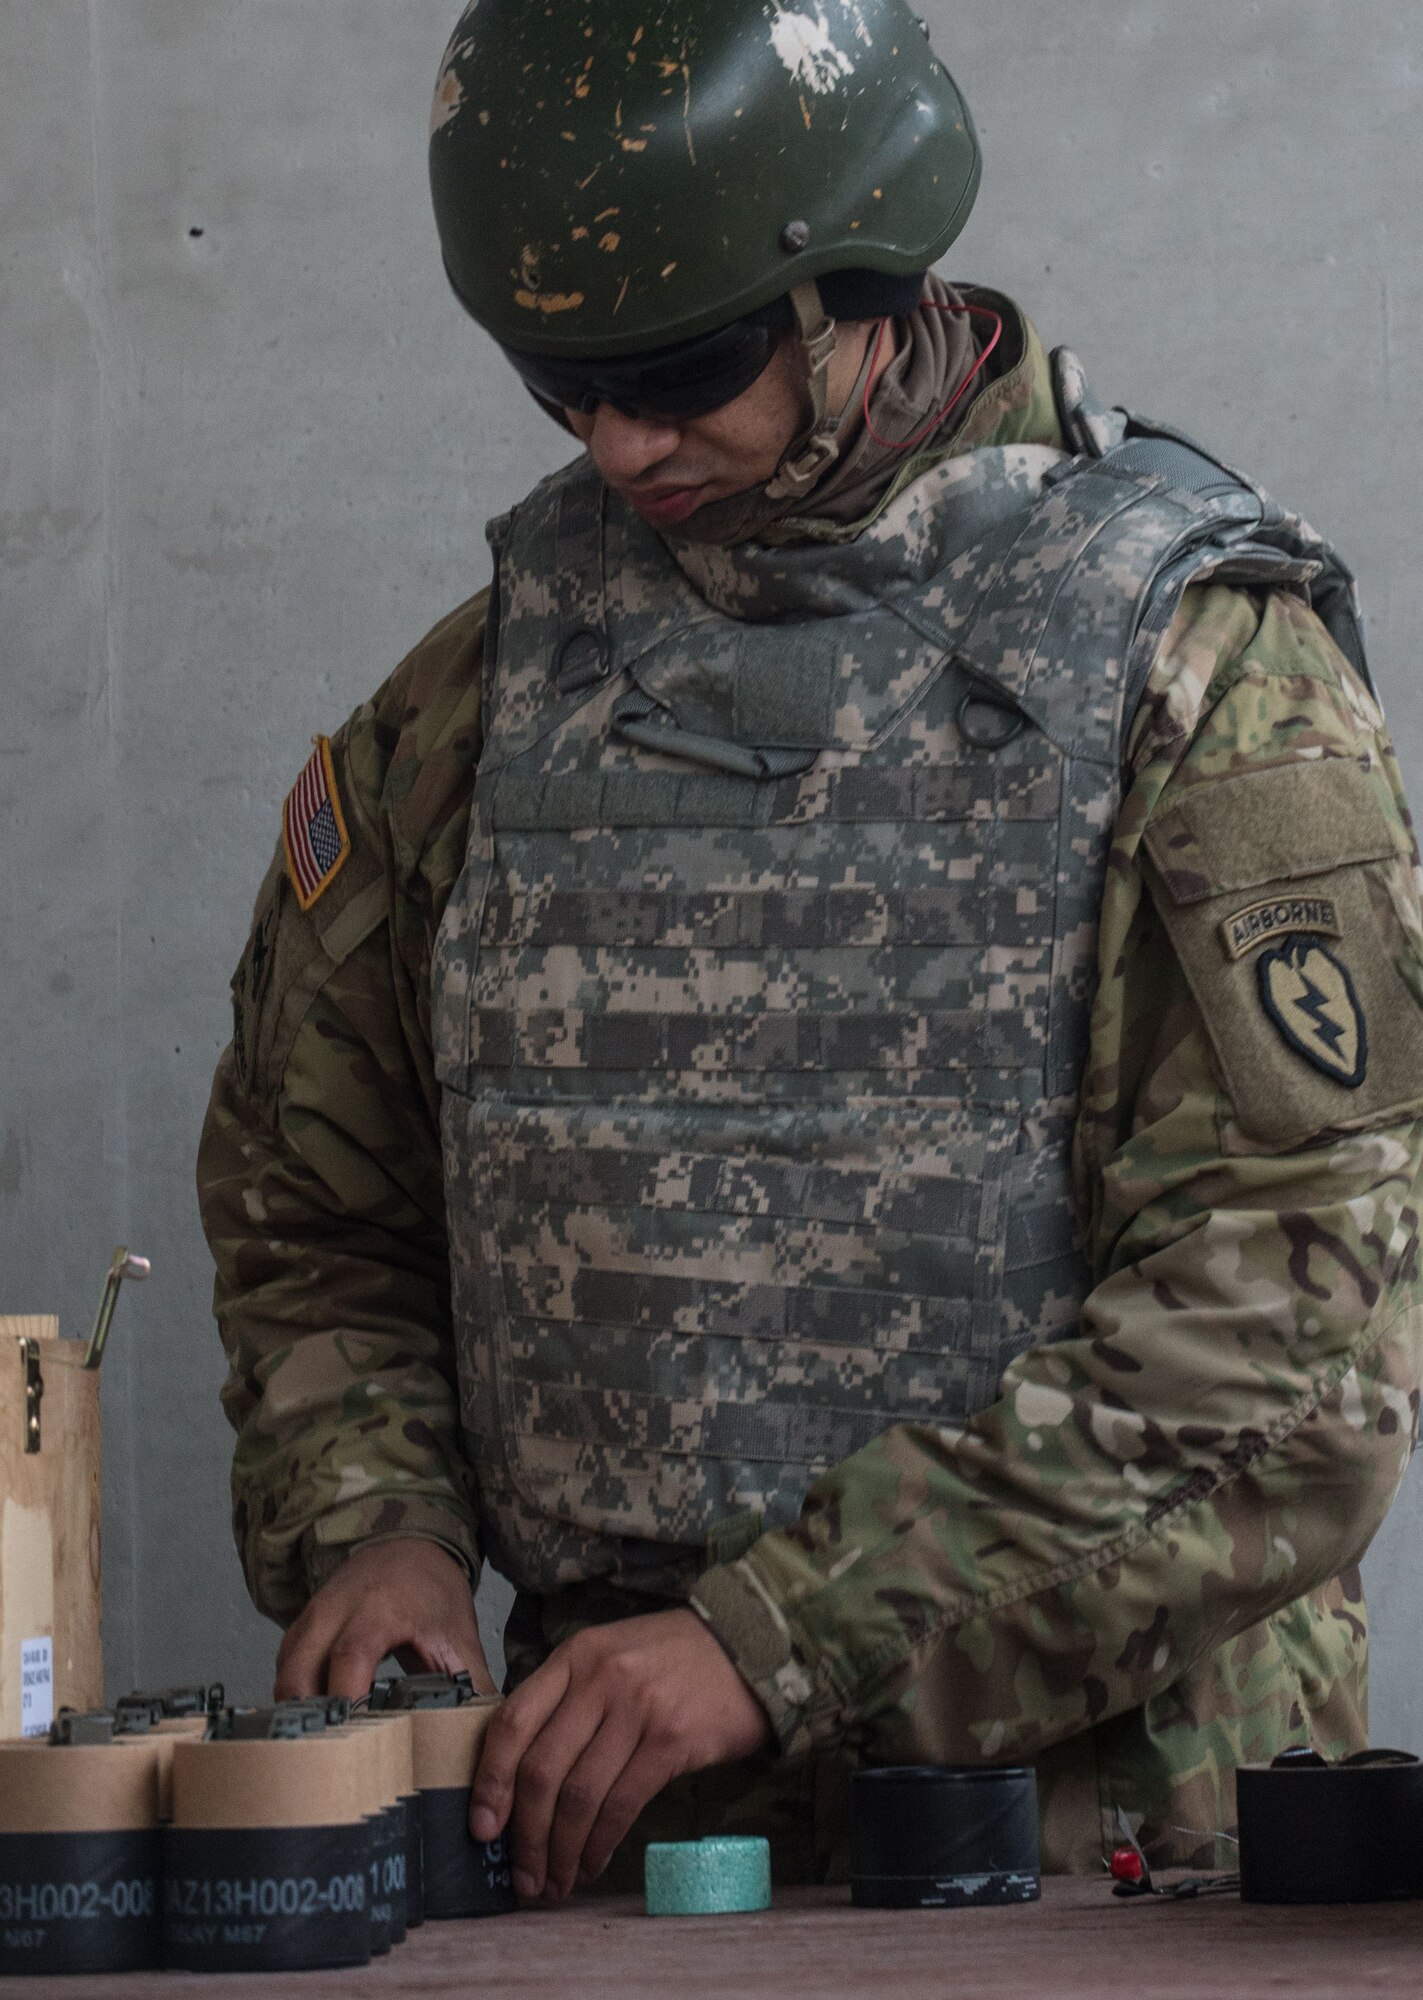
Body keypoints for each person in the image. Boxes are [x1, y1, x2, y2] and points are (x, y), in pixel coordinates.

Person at [199, 0, 1423, 1902]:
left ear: (862, 275)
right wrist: (378, 1526)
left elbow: (1298, 1349)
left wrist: (776, 1638)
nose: (620, 440)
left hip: (1113, 1848)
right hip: (598, 1849)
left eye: (682, 366)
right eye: (560, 379)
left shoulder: (1199, 677)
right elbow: (312, 1207)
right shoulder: (475, 704)